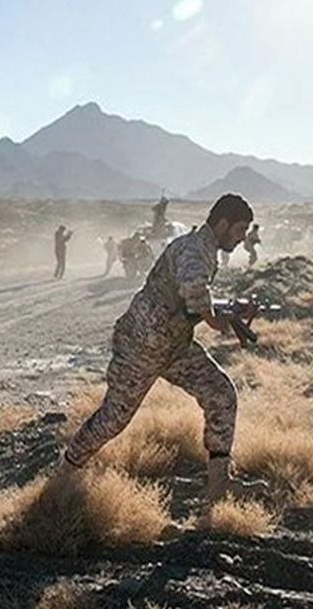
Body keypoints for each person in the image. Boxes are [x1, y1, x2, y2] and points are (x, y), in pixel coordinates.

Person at [59, 194, 264, 501]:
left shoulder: (203, 248)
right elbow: (194, 291)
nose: (241, 238)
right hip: (141, 344)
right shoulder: (194, 249)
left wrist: (231, 308)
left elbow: (190, 299)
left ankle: (219, 485)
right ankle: (64, 472)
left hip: (173, 347)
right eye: (238, 230)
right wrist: (217, 319)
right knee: (113, 418)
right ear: (222, 223)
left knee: (221, 394)